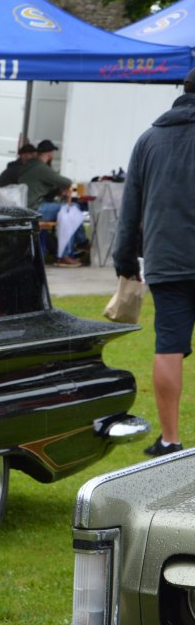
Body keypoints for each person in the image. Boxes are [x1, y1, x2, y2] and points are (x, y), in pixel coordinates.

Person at [113, 66, 195, 457]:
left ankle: (170, 439)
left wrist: (125, 260)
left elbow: (130, 211)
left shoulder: (149, 140)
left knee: (169, 345)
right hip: (171, 258)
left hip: (167, 259)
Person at [20, 139, 87, 263]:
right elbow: (66, 182)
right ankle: (69, 251)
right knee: (71, 209)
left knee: (69, 209)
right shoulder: (41, 167)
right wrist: (63, 188)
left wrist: (57, 191)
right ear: (50, 154)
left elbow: (43, 190)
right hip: (35, 209)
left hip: (27, 207)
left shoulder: (30, 165)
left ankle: (79, 243)